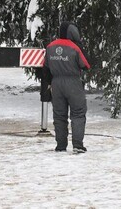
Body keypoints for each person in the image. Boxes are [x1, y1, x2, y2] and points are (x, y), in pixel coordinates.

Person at [43, 20, 91, 152]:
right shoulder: (75, 47)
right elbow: (86, 65)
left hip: (56, 84)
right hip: (73, 83)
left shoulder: (50, 47)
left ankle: (61, 145)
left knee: (59, 115)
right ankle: (77, 145)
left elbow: (45, 68)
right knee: (78, 113)